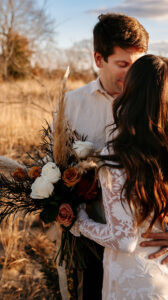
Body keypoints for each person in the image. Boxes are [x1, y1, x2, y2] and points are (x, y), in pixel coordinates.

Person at [64, 13, 149, 300]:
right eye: (123, 64)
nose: (132, 74)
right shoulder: (71, 104)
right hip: (92, 234)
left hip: (149, 241)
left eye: (138, 65)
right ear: (99, 59)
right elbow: (59, 164)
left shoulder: (158, 105)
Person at [71, 54, 168, 300]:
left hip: (134, 281)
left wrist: (79, 222)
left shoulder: (116, 154)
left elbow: (124, 240)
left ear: (131, 93)